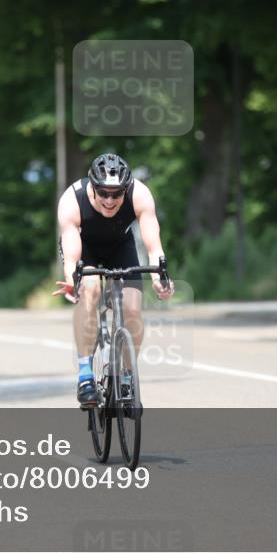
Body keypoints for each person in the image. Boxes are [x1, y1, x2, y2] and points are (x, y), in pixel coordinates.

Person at [52, 153, 174, 407]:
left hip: (121, 246)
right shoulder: (72, 200)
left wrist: (159, 278)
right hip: (85, 248)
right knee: (90, 291)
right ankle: (85, 374)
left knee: (132, 309)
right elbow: (72, 255)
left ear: (125, 189)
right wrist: (72, 279)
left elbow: (154, 246)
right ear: (92, 187)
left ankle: (127, 375)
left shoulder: (139, 194)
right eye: (103, 193)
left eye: (116, 194)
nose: (110, 200)